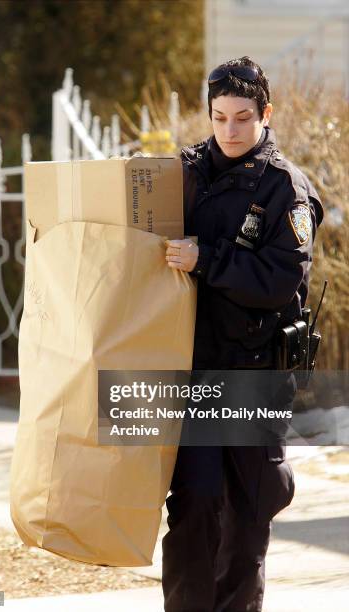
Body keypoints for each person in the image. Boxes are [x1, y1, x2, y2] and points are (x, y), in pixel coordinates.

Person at [162, 56, 323, 612]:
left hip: (255, 376)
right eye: (219, 117)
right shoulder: (182, 173)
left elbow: (280, 280)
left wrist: (208, 258)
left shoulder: (286, 189)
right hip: (195, 373)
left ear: (265, 114)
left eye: (242, 118)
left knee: (249, 513)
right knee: (193, 508)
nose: (229, 130)